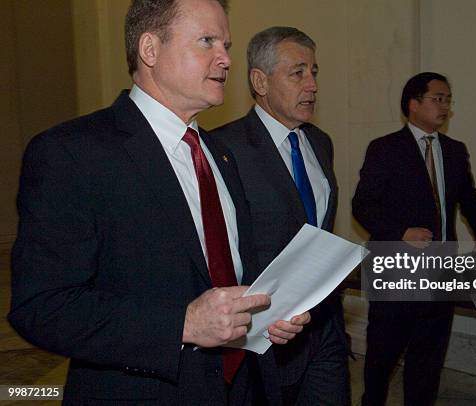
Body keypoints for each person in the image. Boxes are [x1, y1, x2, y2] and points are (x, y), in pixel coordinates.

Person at [8, 1, 309, 404]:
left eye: (227, 44)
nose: (226, 59)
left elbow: (231, 271)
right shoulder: (72, 153)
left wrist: (263, 314)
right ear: (150, 50)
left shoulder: (220, 154)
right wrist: (181, 324)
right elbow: (42, 307)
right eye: (207, 41)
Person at [211, 27, 350, 405]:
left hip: (326, 331)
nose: (312, 85)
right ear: (260, 81)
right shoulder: (223, 148)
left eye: (315, 72)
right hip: (264, 340)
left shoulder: (321, 143)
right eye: (298, 73)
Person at [352, 72, 476, 406]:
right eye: (438, 98)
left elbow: (470, 199)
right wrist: (400, 232)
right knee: (381, 360)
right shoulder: (385, 149)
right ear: (413, 104)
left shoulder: (455, 151)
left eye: (448, 99)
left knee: (427, 362)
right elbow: (363, 206)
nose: (445, 106)